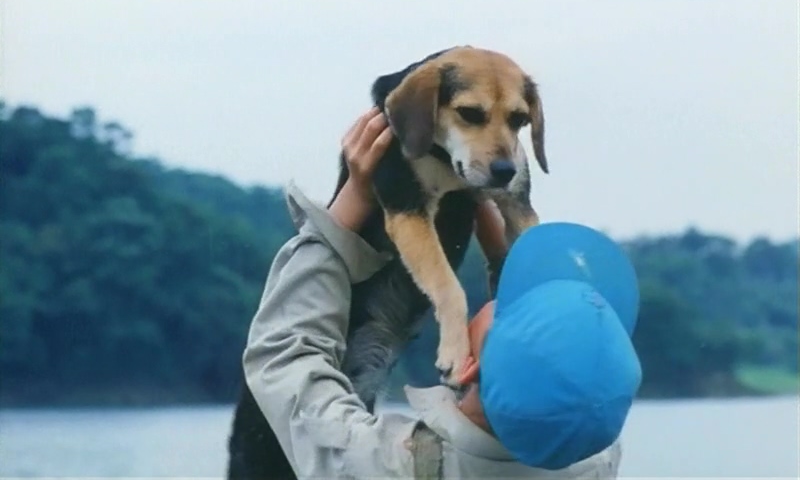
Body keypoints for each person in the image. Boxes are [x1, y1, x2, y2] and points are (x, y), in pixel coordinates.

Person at [242, 107, 642, 478]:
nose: (511, 296)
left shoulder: (381, 462)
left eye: (506, 306)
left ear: (468, 365)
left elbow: (286, 354)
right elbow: (547, 378)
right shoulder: (595, 460)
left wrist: (354, 201)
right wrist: (489, 220)